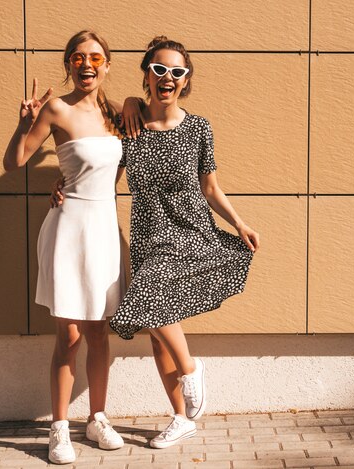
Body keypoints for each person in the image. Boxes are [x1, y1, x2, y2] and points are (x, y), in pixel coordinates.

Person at [114, 36, 260, 448]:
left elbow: (210, 188)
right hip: (148, 234)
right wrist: (65, 185)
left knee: (150, 301)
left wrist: (240, 223)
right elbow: (103, 169)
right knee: (157, 329)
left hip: (188, 232)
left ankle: (191, 369)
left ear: (186, 80)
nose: (167, 78)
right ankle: (181, 417)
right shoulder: (128, 124)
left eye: (176, 72)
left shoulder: (198, 128)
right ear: (147, 73)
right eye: (159, 69)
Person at [3, 30, 126, 464]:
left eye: (95, 57)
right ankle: (59, 430)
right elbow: (15, 161)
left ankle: (97, 419)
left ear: (107, 64)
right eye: (77, 57)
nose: (86, 64)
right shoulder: (56, 108)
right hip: (69, 227)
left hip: (104, 230)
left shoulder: (118, 115)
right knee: (70, 335)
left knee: (99, 331)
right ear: (69, 65)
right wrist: (24, 122)